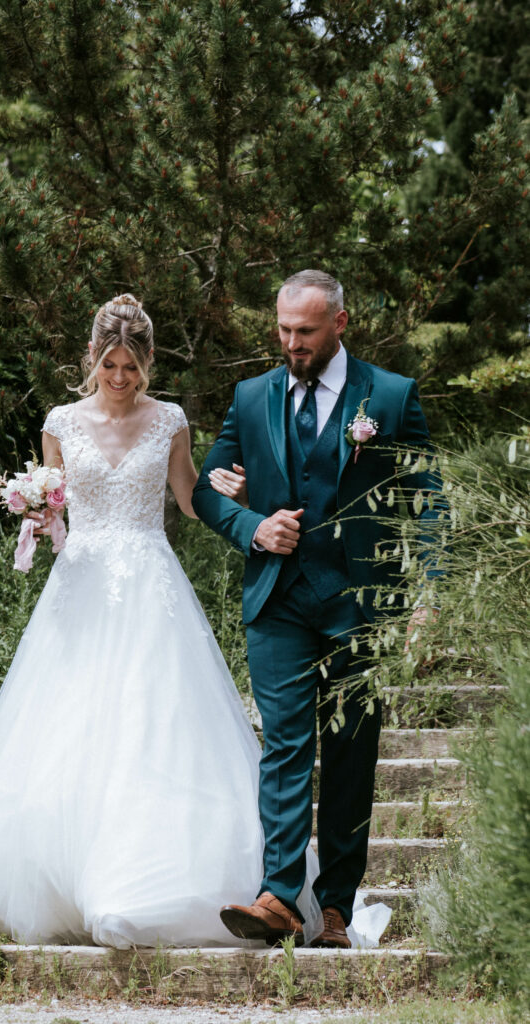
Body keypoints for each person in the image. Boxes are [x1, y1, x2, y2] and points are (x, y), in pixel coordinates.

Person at [0, 294, 340, 949]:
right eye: (109, 364)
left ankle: (145, 882)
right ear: (91, 358)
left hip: (151, 583)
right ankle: (66, 878)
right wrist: (37, 511)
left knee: (151, 722)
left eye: (130, 366)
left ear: (148, 363)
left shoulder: (169, 422)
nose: (118, 377)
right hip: (79, 587)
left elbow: (188, 499)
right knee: (72, 726)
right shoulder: (59, 422)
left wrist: (222, 492)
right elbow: (56, 507)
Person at [193, 270, 446, 948]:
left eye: (303, 331)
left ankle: (333, 905)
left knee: (350, 752)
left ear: (340, 323)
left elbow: (429, 500)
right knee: (284, 744)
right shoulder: (251, 398)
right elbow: (206, 491)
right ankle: (278, 895)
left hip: (360, 603)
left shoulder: (389, 397)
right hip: (277, 599)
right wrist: (250, 526)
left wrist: (427, 590)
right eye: (281, 330)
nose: (290, 343)